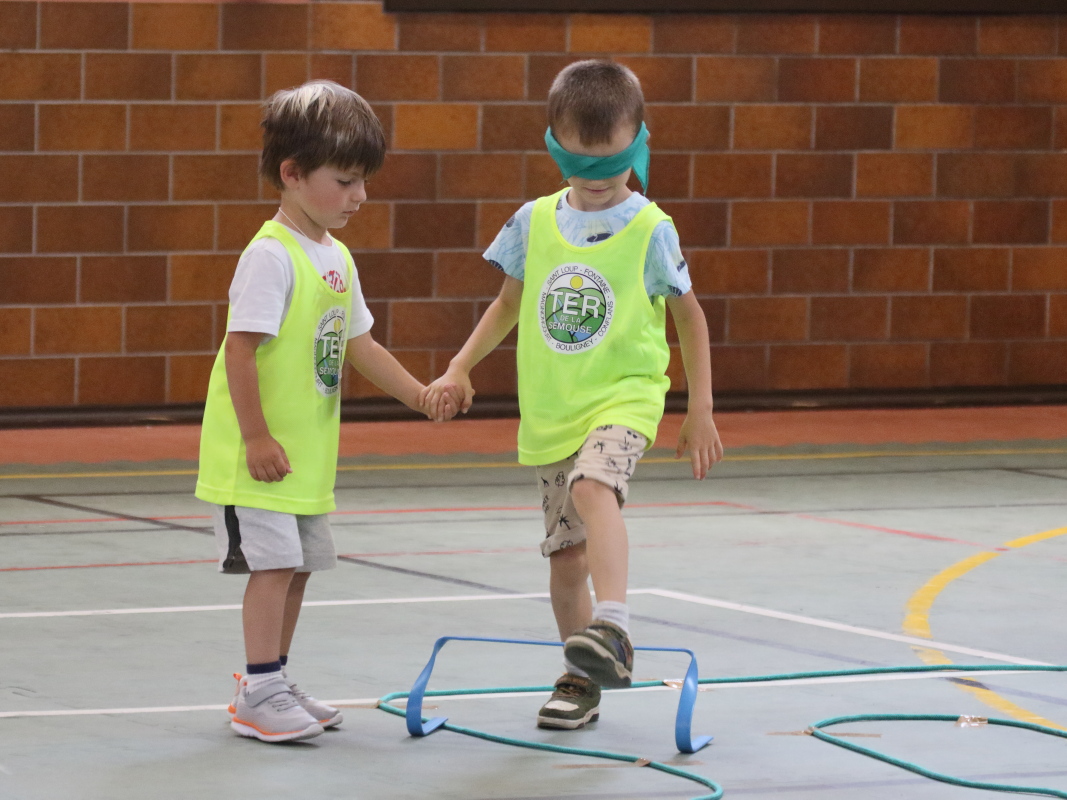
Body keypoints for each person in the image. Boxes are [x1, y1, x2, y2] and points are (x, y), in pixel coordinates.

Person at [422, 60, 723, 731]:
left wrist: (697, 408)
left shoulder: (650, 228)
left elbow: (689, 317)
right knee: (565, 562)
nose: (595, 181)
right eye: (579, 165)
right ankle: (582, 676)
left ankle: (613, 624)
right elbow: (507, 303)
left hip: (624, 397)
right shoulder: (533, 222)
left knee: (595, 486)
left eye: (610, 165)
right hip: (554, 409)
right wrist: (459, 366)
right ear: (552, 145)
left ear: (638, 143)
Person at [195, 80, 456, 743]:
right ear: (291, 174)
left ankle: (273, 679)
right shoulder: (269, 257)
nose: (358, 196)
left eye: (362, 181)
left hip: (306, 459)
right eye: (344, 181)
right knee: (273, 567)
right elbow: (240, 351)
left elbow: (359, 341)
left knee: (300, 570)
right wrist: (254, 436)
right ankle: (257, 689)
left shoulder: (335, 257)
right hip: (259, 459)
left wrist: (418, 393)